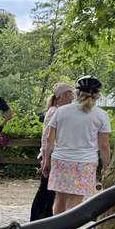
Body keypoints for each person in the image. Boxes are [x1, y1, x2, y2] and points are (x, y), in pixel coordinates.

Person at [42, 75, 111, 229]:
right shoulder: (101, 115)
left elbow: (50, 139)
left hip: (61, 160)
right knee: (74, 206)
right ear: (97, 95)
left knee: (60, 201)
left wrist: (46, 161)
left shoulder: (61, 111)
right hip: (84, 164)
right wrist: (106, 167)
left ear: (76, 93)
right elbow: (104, 145)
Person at [29, 83, 74, 221]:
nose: (73, 97)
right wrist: (45, 157)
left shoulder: (59, 110)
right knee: (45, 189)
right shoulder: (55, 111)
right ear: (64, 95)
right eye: (71, 94)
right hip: (51, 154)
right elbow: (46, 136)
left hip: (53, 153)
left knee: (51, 189)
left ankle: (46, 217)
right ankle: (37, 218)